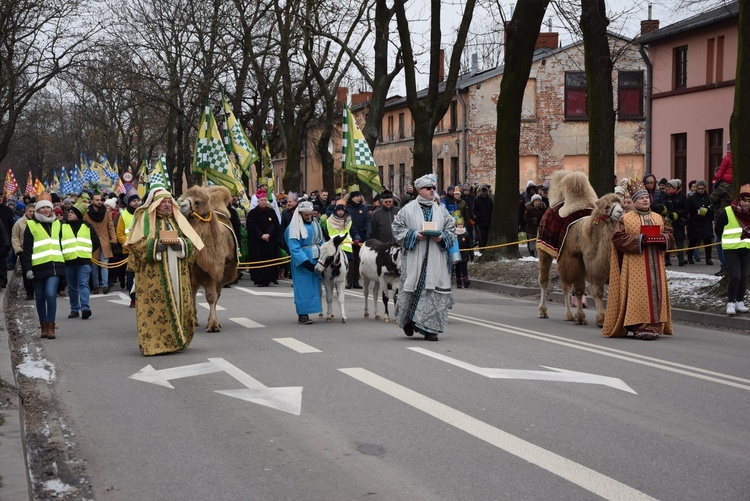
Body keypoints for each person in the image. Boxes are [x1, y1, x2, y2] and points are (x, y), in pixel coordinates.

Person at [124, 188, 205, 356]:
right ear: (155, 204)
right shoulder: (145, 220)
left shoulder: (178, 220)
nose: (167, 205)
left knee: (179, 302)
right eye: (163, 202)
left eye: (169, 202)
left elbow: (191, 243)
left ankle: (178, 339)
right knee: (158, 306)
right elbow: (135, 246)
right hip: (154, 273)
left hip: (178, 270)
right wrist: (155, 246)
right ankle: (156, 343)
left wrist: (181, 245)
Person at [602, 179, 674, 340]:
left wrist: (664, 238)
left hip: (656, 262)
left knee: (656, 292)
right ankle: (638, 325)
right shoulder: (626, 219)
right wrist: (639, 240)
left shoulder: (658, 218)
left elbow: (670, 234)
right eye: (641, 198)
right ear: (634, 202)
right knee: (638, 294)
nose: (645, 200)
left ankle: (655, 325)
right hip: (635, 264)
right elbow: (618, 238)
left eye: (646, 197)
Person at [392, 174, 456, 341]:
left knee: (432, 290)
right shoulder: (407, 209)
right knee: (412, 287)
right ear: (419, 190)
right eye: (428, 188)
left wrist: (442, 238)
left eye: (433, 188)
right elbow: (397, 229)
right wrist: (414, 235)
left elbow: (451, 229)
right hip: (415, 256)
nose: (432, 191)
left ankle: (430, 329)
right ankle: (409, 321)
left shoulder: (441, 210)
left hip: (436, 258)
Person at [22, 197, 66, 339]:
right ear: (38, 210)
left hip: (54, 266)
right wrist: (27, 268)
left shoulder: (58, 224)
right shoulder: (31, 225)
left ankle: (51, 325)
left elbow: (62, 243)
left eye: (48, 207)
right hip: (38, 267)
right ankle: (44, 326)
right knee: (40, 297)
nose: (46, 210)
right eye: (43, 208)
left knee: (50, 294)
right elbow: (27, 249)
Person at [284, 201, 324, 324]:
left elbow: (321, 240)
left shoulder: (315, 224)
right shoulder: (294, 228)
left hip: (316, 257)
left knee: (314, 286)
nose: (308, 216)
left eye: (309, 214)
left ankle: (314, 309)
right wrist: (306, 263)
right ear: (300, 214)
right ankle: (302, 314)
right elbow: (294, 248)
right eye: (305, 214)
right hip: (303, 261)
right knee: (303, 287)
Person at [715, 184, 750, 316]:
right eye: (744, 201)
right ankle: (730, 303)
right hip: (731, 249)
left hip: (746, 248)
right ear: (739, 200)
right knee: (735, 275)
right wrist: (727, 239)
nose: (746, 204)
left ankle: (739, 302)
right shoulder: (728, 211)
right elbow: (718, 229)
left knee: (744, 276)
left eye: (749, 201)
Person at [62, 205, 99, 319]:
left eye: (72, 212)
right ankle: (74, 310)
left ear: (78, 214)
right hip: (69, 261)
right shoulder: (63, 227)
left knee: (83, 284)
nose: (69, 214)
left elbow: (96, 242)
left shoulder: (87, 226)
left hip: (83, 261)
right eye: (69, 212)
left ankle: (85, 308)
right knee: (72, 287)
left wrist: (87, 252)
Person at [246, 189, 280, 287]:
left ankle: (269, 278)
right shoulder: (253, 213)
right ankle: (259, 279)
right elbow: (252, 227)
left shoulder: (271, 212)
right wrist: (261, 235)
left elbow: (274, 224)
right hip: (257, 242)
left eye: (265, 200)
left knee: (270, 258)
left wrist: (268, 234)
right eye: (262, 200)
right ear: (258, 201)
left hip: (269, 241)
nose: (264, 202)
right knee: (258, 259)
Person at [84, 193, 117, 294]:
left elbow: (110, 226)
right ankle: (96, 286)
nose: (99, 202)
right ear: (92, 201)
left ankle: (105, 285)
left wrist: (113, 239)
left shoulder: (106, 212)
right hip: (92, 242)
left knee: (104, 264)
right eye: (97, 200)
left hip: (105, 242)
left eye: (100, 200)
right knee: (94, 265)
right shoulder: (86, 213)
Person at [116, 193, 141, 307]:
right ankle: (133, 299)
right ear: (129, 203)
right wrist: (127, 244)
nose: (136, 202)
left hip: (142, 249)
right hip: (129, 250)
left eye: (137, 200)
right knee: (131, 276)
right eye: (133, 201)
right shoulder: (123, 215)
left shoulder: (144, 214)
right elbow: (120, 234)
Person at [345, 191, 371, 289]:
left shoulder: (363, 208)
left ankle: (356, 281)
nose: (358, 198)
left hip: (361, 236)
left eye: (359, 196)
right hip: (348, 237)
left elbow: (367, 221)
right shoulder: (347, 208)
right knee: (351, 260)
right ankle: (349, 281)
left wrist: (369, 231)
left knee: (358, 260)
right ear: (351, 197)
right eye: (356, 196)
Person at [659, 179, 688, 266]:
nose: (668, 188)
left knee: (679, 240)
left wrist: (677, 213)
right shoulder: (664, 196)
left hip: (678, 221)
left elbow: (686, 209)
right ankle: (667, 260)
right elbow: (662, 205)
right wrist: (664, 210)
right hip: (668, 220)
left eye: (670, 187)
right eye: (667, 187)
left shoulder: (682, 196)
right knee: (668, 239)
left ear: (675, 187)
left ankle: (681, 259)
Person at [686, 180, 714, 265]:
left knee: (707, 241)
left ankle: (708, 258)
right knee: (693, 241)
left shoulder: (709, 198)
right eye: (698, 189)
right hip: (695, 222)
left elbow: (712, 208)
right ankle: (690, 255)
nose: (700, 190)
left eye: (702, 188)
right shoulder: (692, 198)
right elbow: (688, 209)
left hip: (706, 221)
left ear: (705, 188)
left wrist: (707, 211)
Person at [12, 202, 35, 299]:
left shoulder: (38, 222)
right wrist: (19, 250)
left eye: (34, 211)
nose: (32, 213)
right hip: (24, 251)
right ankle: (29, 292)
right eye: (30, 211)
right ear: (26, 211)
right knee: (27, 272)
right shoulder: (19, 223)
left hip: (37, 250)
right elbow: (15, 237)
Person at [454, 217, 473, 288]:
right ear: (456, 225)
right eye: (459, 224)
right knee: (458, 268)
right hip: (456, 253)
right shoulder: (454, 233)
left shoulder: (466, 233)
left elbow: (470, 244)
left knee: (464, 267)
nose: (460, 226)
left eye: (461, 224)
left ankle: (465, 280)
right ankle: (459, 282)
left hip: (464, 253)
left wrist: (471, 253)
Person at [473, 185, 493, 251]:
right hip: (480, 221)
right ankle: (481, 248)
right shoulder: (477, 200)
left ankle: (487, 247)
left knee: (487, 235)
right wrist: (479, 216)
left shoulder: (489, 200)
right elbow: (474, 209)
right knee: (481, 236)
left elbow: (491, 209)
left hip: (488, 220)